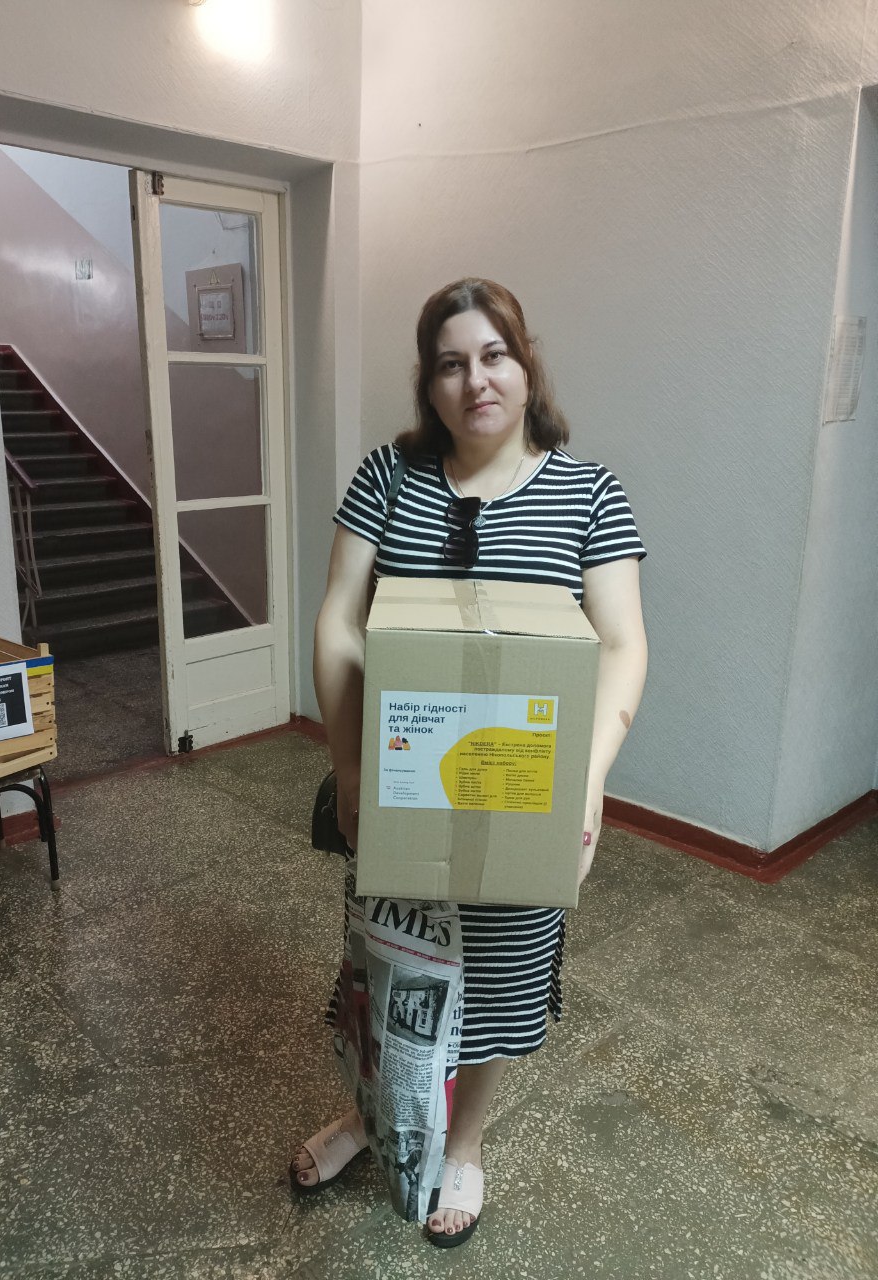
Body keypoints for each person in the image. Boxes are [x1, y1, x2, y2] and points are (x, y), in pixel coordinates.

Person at [291, 278, 648, 1246]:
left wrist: (586, 784)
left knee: (503, 975)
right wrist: (350, 768)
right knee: (383, 963)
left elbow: (622, 644)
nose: (475, 380)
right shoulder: (388, 476)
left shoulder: (588, 493)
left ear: (526, 366)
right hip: (404, 780)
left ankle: (465, 1143)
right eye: (450, 363)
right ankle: (371, 1118)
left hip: (525, 791)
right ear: (429, 382)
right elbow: (339, 620)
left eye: (494, 355)